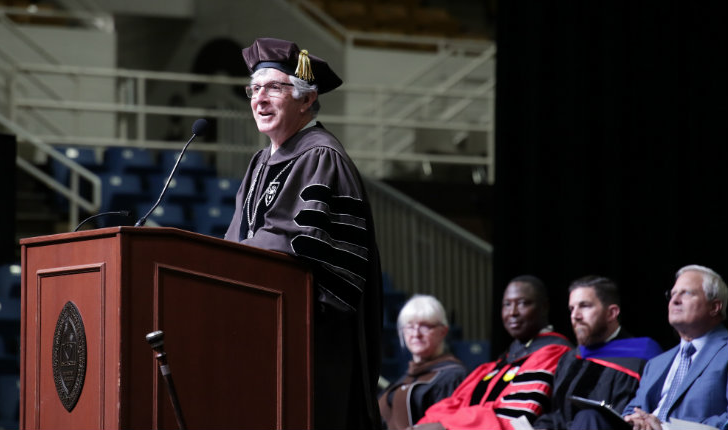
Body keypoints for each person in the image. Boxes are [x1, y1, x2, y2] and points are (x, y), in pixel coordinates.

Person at [223, 38, 382, 430]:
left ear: (306, 99)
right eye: (254, 89)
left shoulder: (320, 155)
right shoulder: (260, 161)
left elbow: (297, 248)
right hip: (266, 333)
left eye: (273, 88)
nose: (259, 99)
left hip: (308, 341)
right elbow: (235, 240)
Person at [413, 275, 572, 430]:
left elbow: (512, 417)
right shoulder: (500, 363)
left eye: (522, 303)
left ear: (544, 307)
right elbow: (454, 402)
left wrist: (446, 426)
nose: (512, 312)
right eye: (507, 304)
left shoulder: (553, 352)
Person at [533, 276, 663, 430]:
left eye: (585, 306)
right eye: (572, 308)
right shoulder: (570, 359)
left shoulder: (642, 356)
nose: (575, 316)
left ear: (611, 313)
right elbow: (558, 415)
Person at [622, 264, 728, 430]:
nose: (674, 300)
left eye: (687, 293)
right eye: (672, 294)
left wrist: (668, 428)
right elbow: (633, 409)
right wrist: (634, 420)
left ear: (714, 307)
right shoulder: (656, 364)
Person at [378, 295, 467, 430]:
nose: (416, 333)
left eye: (425, 326)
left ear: (443, 331)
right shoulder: (408, 376)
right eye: (410, 326)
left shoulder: (453, 376)